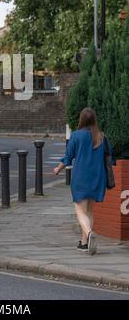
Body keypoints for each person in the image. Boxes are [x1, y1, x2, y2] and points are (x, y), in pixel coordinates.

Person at [53, 107, 113, 255]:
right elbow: (110, 155)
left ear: (81, 119)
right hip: (98, 177)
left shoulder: (76, 136)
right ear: (94, 120)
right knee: (89, 211)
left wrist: (58, 169)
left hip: (81, 177)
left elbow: (68, 157)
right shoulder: (101, 136)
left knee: (80, 211)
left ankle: (90, 233)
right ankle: (84, 243)